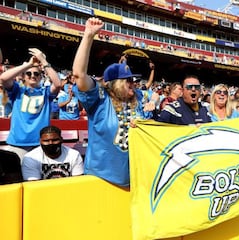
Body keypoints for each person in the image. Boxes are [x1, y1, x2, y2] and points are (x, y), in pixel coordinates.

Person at [71, 17, 158, 187]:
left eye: (134, 80)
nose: (134, 83)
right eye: (129, 81)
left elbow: (152, 98)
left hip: (135, 178)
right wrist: (88, 36)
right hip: (102, 178)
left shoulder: (138, 97)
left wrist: (152, 105)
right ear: (116, 83)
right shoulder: (100, 99)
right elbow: (79, 75)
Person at [0, 48, 61, 160]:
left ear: (40, 77)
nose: (32, 76)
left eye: (36, 74)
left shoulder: (45, 92)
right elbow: (3, 78)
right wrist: (28, 65)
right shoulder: (17, 90)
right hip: (18, 142)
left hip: (41, 143)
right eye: (28, 73)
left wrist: (44, 62)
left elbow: (57, 84)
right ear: (23, 76)